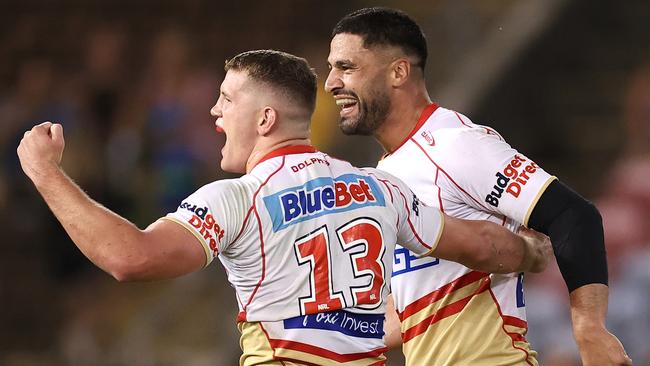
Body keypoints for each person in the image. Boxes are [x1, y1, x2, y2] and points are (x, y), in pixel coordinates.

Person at [18, 49, 551, 365]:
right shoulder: (380, 190)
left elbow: (130, 257)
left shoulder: (236, 200)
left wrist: (45, 172)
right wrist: (530, 251)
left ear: (266, 118)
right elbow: (482, 245)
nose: (214, 110)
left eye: (227, 100)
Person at [324, 7, 632, 366]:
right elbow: (416, 308)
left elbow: (573, 216)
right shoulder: (390, 169)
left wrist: (589, 328)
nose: (331, 82)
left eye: (346, 67)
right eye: (332, 68)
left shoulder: (454, 145)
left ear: (398, 71)